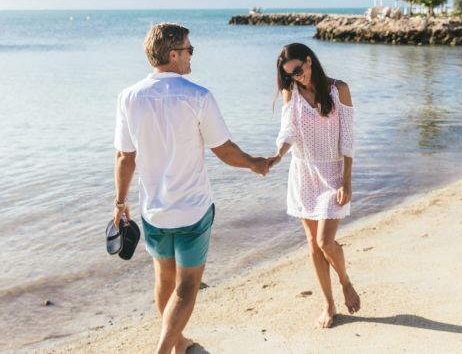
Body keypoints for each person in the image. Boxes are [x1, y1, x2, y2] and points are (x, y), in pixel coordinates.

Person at [113, 22, 270, 354]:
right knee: (186, 286)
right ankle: (163, 349)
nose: (191, 57)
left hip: (153, 210)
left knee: (164, 281)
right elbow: (224, 150)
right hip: (193, 210)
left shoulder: (129, 97)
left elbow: (125, 156)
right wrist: (255, 162)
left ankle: (179, 344)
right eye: (189, 50)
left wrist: (119, 202)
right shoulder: (198, 96)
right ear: (173, 54)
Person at [270, 43, 361, 328]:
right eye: (290, 75)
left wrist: (347, 181)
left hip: (332, 173)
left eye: (299, 70)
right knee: (313, 244)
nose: (297, 78)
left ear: (309, 61)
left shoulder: (338, 89)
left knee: (325, 242)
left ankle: (345, 281)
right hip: (303, 173)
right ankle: (328, 304)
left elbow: (348, 139)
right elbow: (288, 130)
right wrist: (277, 155)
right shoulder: (292, 93)